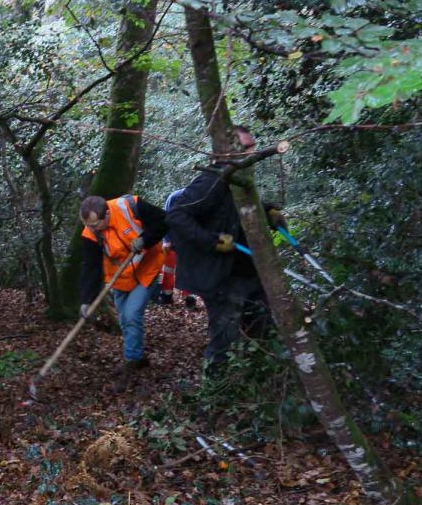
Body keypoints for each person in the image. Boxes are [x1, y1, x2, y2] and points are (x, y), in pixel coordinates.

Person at [166, 126, 281, 370]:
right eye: (247, 147)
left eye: (253, 144)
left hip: (250, 272)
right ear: (227, 152)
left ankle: (261, 384)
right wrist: (213, 241)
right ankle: (213, 390)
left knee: (263, 330)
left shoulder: (241, 178)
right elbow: (177, 215)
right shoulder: (212, 179)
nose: (254, 151)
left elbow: (238, 208)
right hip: (223, 279)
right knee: (225, 339)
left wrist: (268, 210)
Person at [75, 193, 168, 393]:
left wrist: (145, 239)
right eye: (87, 225)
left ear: (107, 215)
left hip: (146, 270)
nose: (90, 229)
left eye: (94, 224)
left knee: (132, 315)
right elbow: (89, 266)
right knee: (124, 320)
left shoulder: (130, 206)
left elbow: (164, 220)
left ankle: (130, 364)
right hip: (118, 278)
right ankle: (138, 356)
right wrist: (86, 300)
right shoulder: (90, 233)